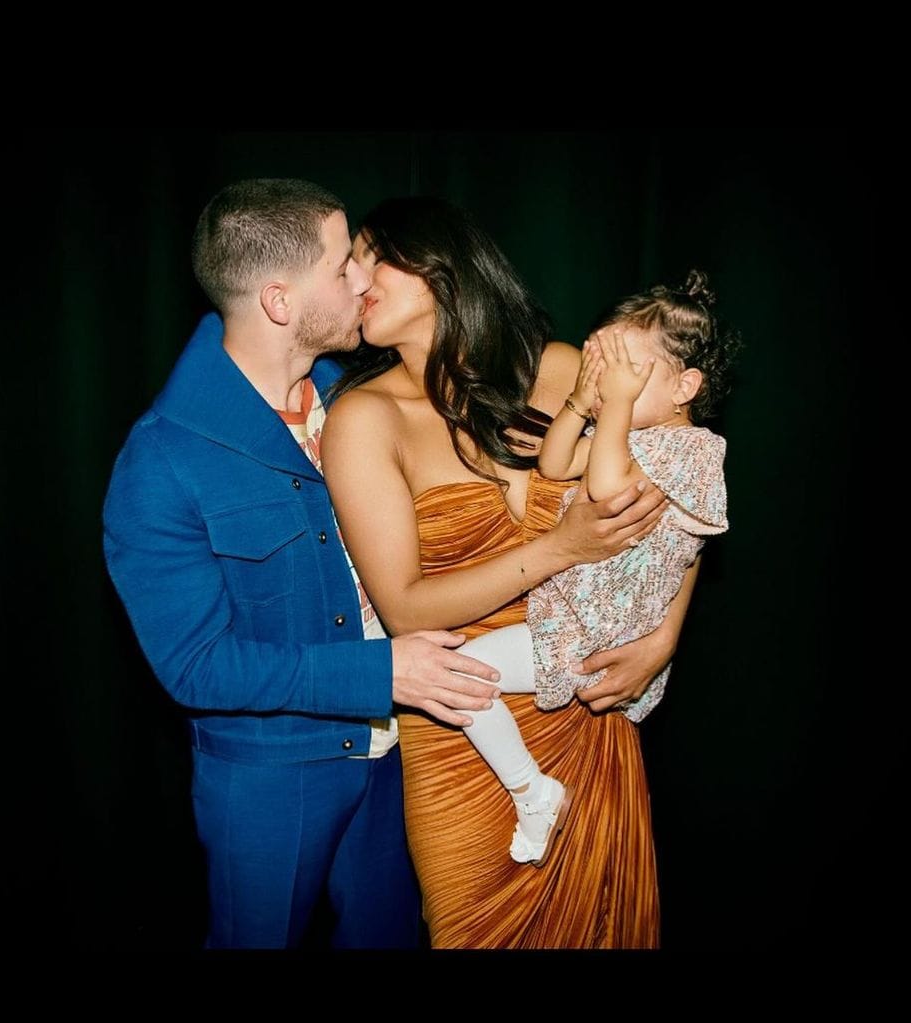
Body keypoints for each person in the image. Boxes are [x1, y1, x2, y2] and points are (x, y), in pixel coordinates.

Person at [102, 178, 509, 950]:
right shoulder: (162, 460)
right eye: (342, 266)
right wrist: (377, 673)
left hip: (400, 756)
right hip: (269, 781)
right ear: (282, 302)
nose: (364, 279)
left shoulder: (357, 394)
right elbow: (196, 666)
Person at [321, 196, 686, 948]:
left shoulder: (560, 370)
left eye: (371, 255)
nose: (354, 277)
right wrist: (561, 548)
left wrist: (663, 642)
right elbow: (405, 609)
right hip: (467, 733)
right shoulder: (366, 419)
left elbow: (685, 486)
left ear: (441, 266)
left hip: (589, 710)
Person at [437, 272, 737, 868]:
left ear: (686, 385)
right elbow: (553, 463)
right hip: (577, 615)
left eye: (630, 369)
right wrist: (582, 399)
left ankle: (532, 791)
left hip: (602, 630)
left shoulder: (695, 450)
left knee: (462, 676)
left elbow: (604, 492)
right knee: (463, 678)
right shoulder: (621, 431)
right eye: (608, 366)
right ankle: (534, 788)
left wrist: (617, 406)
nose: (613, 384)